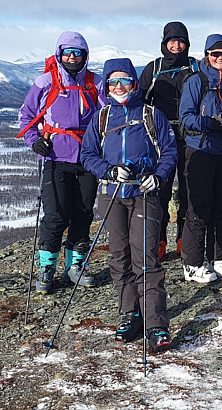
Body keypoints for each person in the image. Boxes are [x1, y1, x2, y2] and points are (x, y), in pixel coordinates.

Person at [80, 58, 178, 352]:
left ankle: (156, 322)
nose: (119, 86)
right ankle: (129, 313)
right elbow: (87, 154)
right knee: (119, 255)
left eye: (124, 80)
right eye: (113, 82)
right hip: (112, 194)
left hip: (142, 194)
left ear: (135, 83)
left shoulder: (151, 115)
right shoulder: (101, 118)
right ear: (106, 86)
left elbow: (170, 151)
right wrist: (107, 171)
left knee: (146, 257)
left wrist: (158, 177)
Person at [18, 31, 105, 294]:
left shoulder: (96, 83)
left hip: (88, 157)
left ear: (85, 56)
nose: (72, 57)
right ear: (59, 54)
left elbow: (109, 116)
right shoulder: (46, 82)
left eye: (77, 53)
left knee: (82, 212)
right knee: (55, 215)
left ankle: (75, 265)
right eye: (67, 52)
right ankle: (47, 268)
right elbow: (27, 115)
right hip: (56, 156)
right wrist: (34, 141)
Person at [177, 34, 222, 283]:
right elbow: (186, 117)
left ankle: (218, 258)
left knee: (221, 205)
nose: (219, 58)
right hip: (200, 150)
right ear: (207, 56)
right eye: (214, 54)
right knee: (198, 207)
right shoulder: (197, 81)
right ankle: (192, 264)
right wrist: (213, 122)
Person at [138, 22, 198, 260]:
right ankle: (159, 239)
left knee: (189, 190)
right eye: (171, 41)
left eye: (181, 41)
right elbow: (140, 99)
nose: (176, 45)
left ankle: (185, 239)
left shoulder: (195, 67)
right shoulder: (154, 68)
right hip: (160, 137)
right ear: (164, 43)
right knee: (160, 189)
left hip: (190, 136)